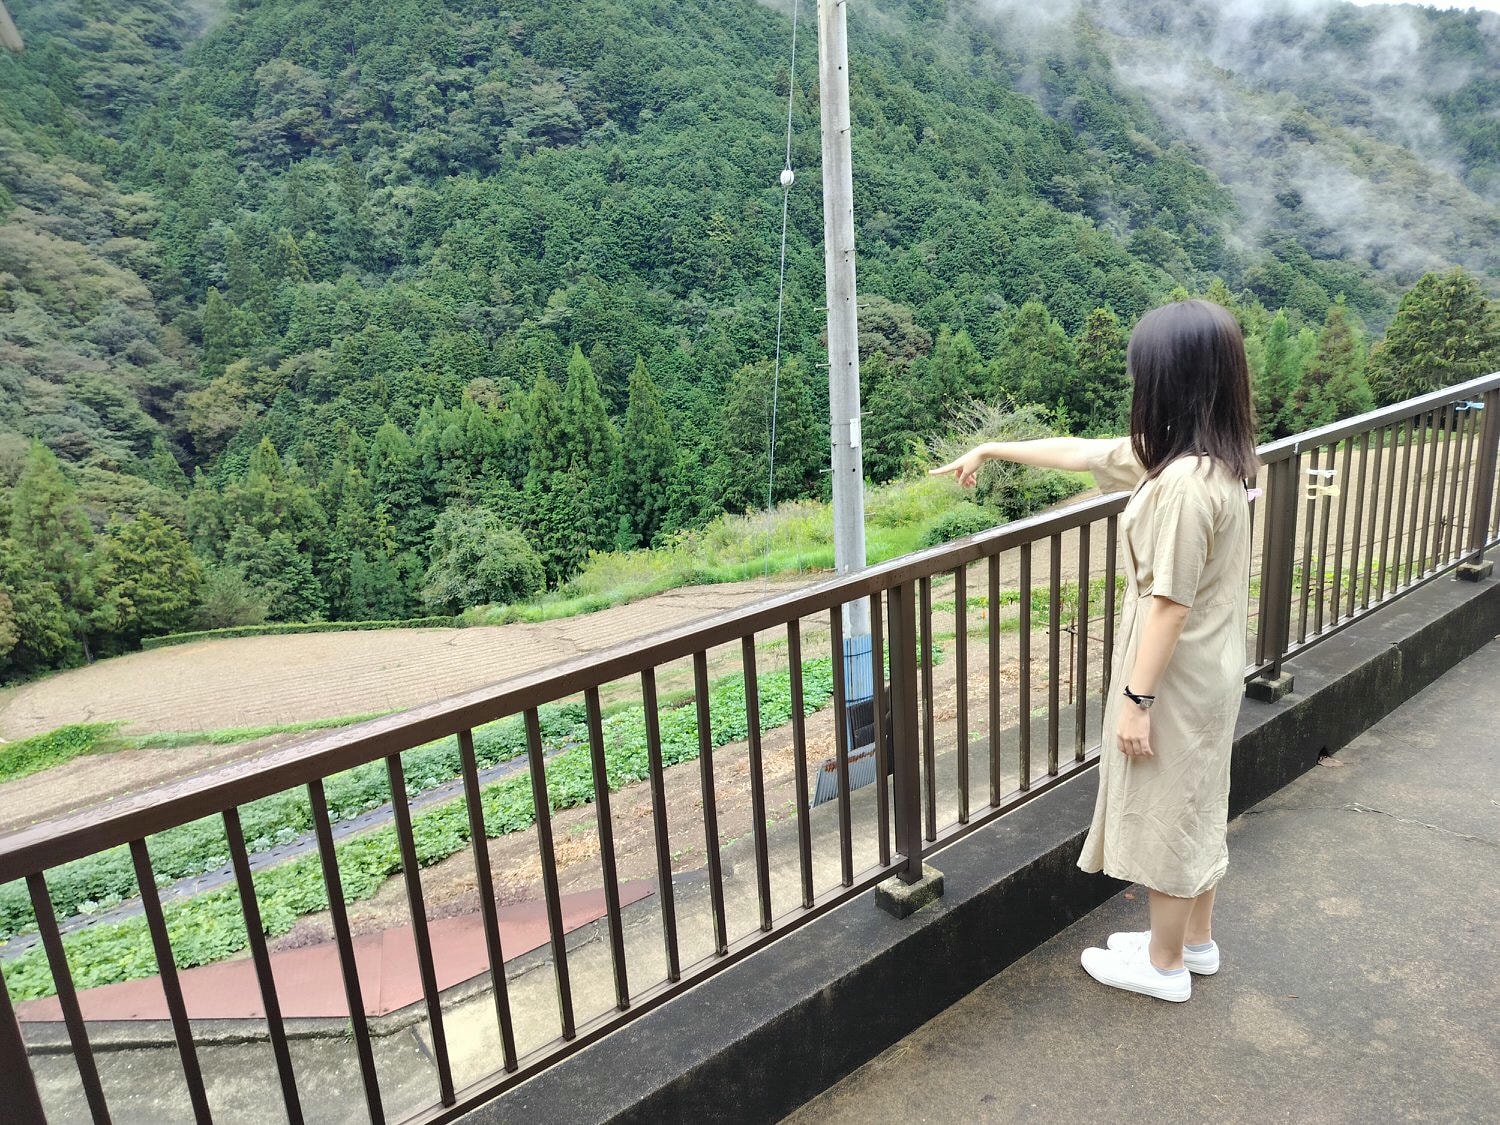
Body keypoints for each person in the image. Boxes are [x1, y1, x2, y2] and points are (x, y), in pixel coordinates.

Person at [930, 299, 1258, 1002]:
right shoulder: (1210, 462)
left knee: (1169, 807)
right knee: (1198, 798)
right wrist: (991, 447)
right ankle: (1192, 942)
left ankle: (1164, 965)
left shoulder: (1179, 487)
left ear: (1170, 380)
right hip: (1211, 667)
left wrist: (1137, 702)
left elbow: (1168, 605)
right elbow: (1083, 452)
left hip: (1175, 677)